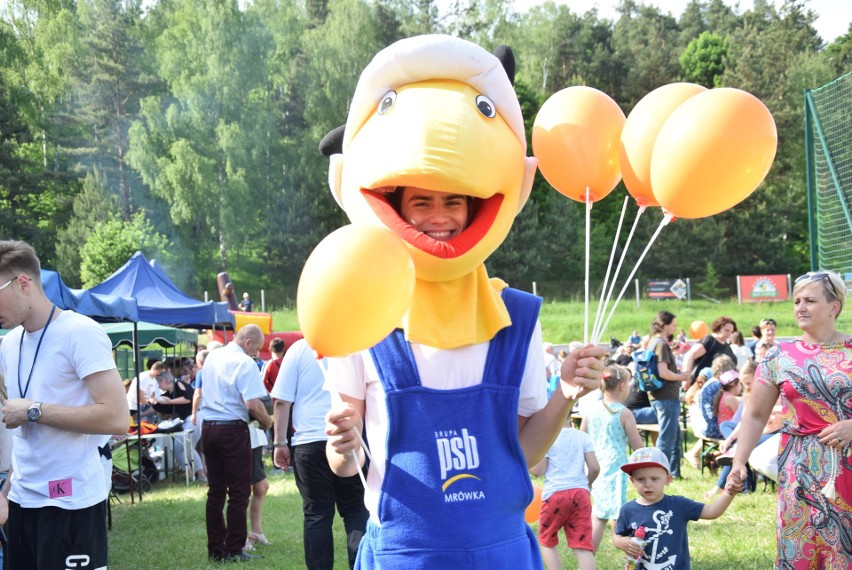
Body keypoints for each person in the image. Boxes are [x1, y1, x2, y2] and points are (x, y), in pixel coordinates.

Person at [325, 187, 605, 567]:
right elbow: (344, 465)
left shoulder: (515, 318)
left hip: (501, 553)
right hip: (405, 556)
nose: (439, 217)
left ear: (474, 213)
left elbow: (522, 454)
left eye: (453, 202)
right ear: (396, 216)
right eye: (421, 202)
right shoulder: (364, 318)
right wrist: (344, 443)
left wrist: (566, 394)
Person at [0, 240, 129, 568]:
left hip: (71, 503)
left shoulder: (80, 332)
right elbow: (26, 438)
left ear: (23, 284)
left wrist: (34, 410)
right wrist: (6, 493)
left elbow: (116, 418)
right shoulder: (10, 343)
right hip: (21, 501)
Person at [729, 270, 851, 568]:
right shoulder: (779, 355)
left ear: (834, 306)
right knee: (801, 546)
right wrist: (738, 461)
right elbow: (756, 415)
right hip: (799, 469)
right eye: (797, 301)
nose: (800, 307)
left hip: (848, 468)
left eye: (810, 300)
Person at [272, 338, 369, 569]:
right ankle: (361, 564)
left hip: (309, 441)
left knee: (317, 514)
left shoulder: (297, 349)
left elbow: (281, 402)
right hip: (347, 436)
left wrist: (279, 443)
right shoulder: (355, 342)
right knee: (356, 509)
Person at [197, 324, 273, 563]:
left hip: (209, 427)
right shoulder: (245, 362)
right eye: (257, 348)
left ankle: (215, 549)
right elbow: (253, 404)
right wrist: (267, 422)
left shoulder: (213, 356)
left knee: (216, 492)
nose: (257, 355)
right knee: (239, 492)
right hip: (232, 429)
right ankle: (234, 548)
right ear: (248, 342)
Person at [614, 447, 740, 569]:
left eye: (654, 478)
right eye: (641, 479)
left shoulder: (679, 505)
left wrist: (729, 492)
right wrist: (620, 543)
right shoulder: (627, 510)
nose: (648, 484)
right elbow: (617, 536)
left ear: (667, 479)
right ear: (632, 481)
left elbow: (712, 511)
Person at [581, 364, 644, 550]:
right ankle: (631, 555)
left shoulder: (590, 410)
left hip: (594, 466)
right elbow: (637, 446)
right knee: (618, 513)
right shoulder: (623, 413)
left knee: (599, 513)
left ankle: (587, 558)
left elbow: (582, 438)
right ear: (622, 386)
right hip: (616, 468)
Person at [530, 417, 600, 570]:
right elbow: (594, 468)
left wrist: (528, 460)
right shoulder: (582, 436)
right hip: (581, 494)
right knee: (582, 546)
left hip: (555, 495)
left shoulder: (547, 438)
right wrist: (587, 483)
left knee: (546, 541)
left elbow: (537, 471)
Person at [645, 311, 690, 479]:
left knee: (674, 437)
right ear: (664, 325)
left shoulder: (652, 342)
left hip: (661, 397)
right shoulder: (661, 344)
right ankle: (657, 474)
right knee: (666, 439)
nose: (675, 328)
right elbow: (663, 372)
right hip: (666, 398)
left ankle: (674, 473)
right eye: (673, 325)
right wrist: (682, 376)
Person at [680, 316, 737, 389]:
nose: (729, 334)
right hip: (702, 385)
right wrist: (686, 378)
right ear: (718, 328)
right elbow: (690, 355)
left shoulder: (727, 346)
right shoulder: (710, 341)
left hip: (721, 387)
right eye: (727, 330)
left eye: (731, 332)